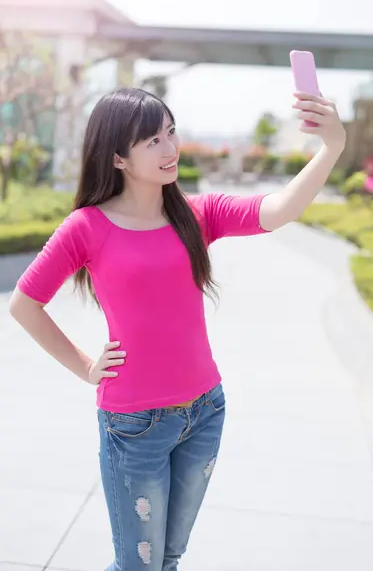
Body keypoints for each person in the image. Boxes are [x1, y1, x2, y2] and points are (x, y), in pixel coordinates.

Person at [9, 87, 346, 570]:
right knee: (139, 564)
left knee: (167, 557)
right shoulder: (86, 227)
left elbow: (281, 209)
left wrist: (331, 147)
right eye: (151, 141)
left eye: (171, 132)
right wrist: (86, 366)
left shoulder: (196, 214)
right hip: (134, 426)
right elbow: (25, 304)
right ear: (118, 158)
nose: (170, 149)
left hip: (205, 411)